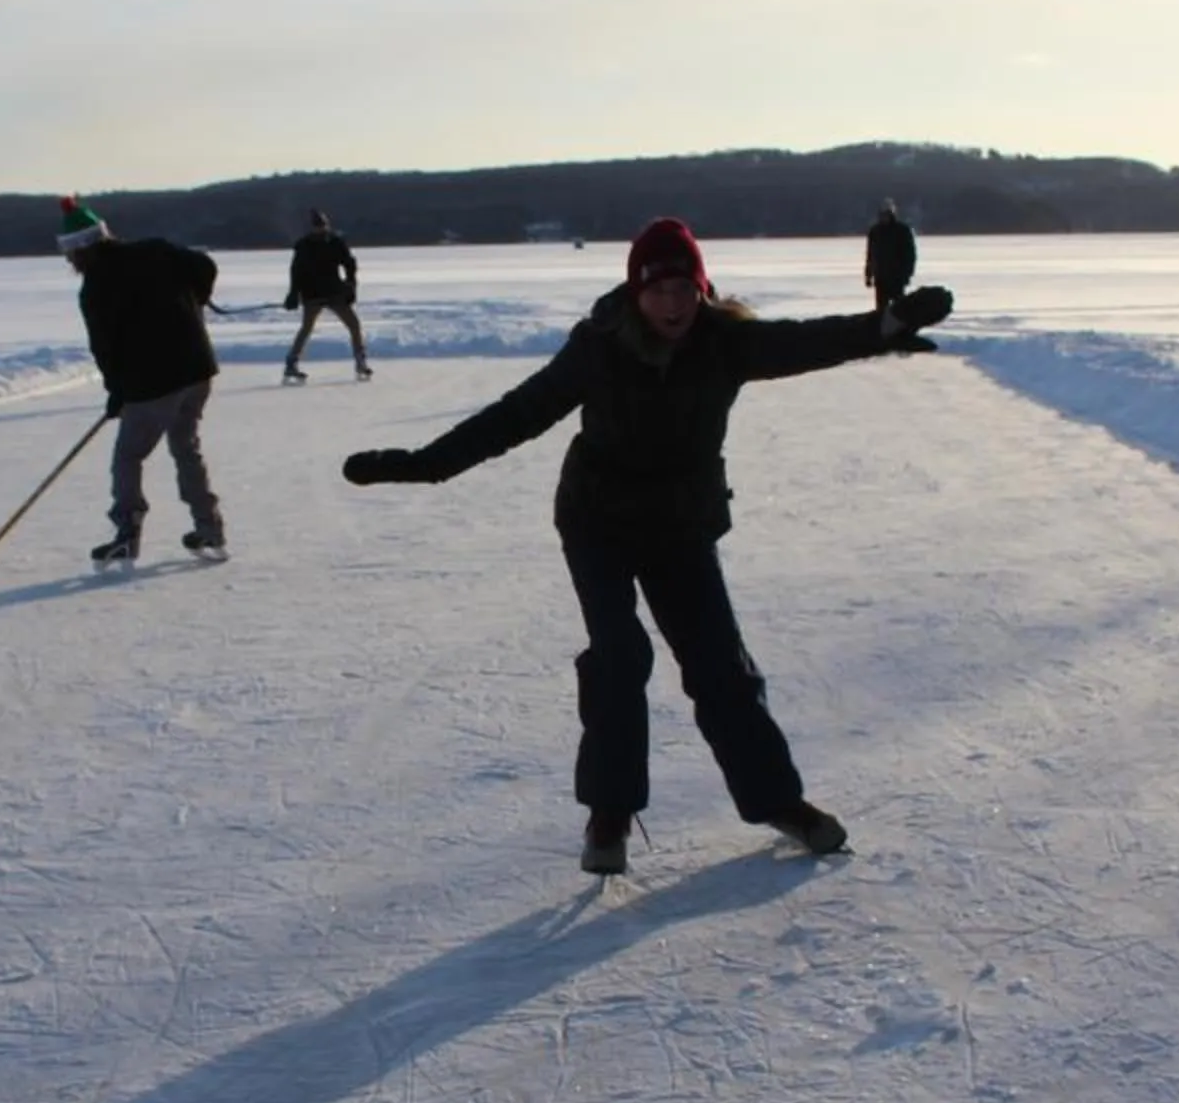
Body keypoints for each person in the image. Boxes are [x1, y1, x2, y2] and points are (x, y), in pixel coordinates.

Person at [340, 216, 953, 874]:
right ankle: (609, 813)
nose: (673, 305)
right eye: (658, 291)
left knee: (721, 666)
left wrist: (887, 325)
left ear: (702, 290)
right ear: (636, 292)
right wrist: (424, 464)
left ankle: (778, 800)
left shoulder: (725, 343)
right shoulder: (599, 346)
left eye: (684, 290)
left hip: (681, 525)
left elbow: (809, 342)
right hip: (598, 522)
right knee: (619, 656)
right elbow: (519, 413)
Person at [58, 195, 228, 565]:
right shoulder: (155, 249)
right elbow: (204, 265)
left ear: (81, 250)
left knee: (128, 456)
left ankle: (126, 533)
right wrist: (196, 300)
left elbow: (106, 350)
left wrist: (117, 393)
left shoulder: (95, 288)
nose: (68, 261)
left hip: (155, 383)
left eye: (69, 254)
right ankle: (210, 528)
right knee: (186, 447)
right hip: (197, 369)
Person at [281, 208, 371, 383]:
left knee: (353, 324)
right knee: (306, 329)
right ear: (312, 227)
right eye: (317, 226)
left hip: (334, 292)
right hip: (312, 294)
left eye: (322, 225)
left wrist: (351, 285)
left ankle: (360, 361)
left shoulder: (336, 242)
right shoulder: (304, 245)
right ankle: (291, 364)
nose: (320, 229)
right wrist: (293, 293)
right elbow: (296, 271)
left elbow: (349, 264)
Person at [864, 199, 917, 315]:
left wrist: (907, 275)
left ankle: (900, 331)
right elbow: (870, 255)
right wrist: (868, 275)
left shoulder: (902, 230)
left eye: (885, 214)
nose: (883, 217)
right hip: (880, 278)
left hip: (897, 278)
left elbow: (910, 256)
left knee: (899, 310)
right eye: (881, 214)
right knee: (881, 311)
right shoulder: (875, 231)